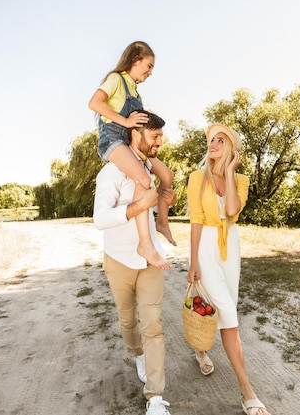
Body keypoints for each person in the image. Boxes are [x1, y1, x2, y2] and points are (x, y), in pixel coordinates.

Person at [93, 110, 174, 415]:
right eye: (155, 135)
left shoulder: (148, 170)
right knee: (128, 321)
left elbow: (158, 195)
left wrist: (162, 204)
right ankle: (136, 353)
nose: (160, 142)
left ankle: (155, 398)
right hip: (119, 261)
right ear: (135, 134)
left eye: (161, 136)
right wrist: (139, 205)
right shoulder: (111, 173)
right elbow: (100, 219)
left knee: (153, 324)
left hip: (151, 260)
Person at [186, 124, 270, 415]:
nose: (213, 144)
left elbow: (232, 210)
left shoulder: (241, 179)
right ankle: (247, 391)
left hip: (230, 245)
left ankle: (200, 348)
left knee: (223, 305)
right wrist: (193, 260)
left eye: (220, 141)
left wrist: (231, 173)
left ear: (232, 150)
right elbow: (196, 220)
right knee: (227, 312)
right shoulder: (197, 177)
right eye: (211, 140)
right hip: (207, 243)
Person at [89, 40, 175, 271]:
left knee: (166, 176)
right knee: (144, 180)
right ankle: (145, 244)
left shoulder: (135, 91)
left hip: (129, 142)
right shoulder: (116, 79)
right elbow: (94, 103)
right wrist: (126, 121)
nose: (150, 72)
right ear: (135, 60)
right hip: (113, 141)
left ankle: (163, 223)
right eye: (148, 66)